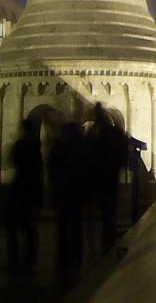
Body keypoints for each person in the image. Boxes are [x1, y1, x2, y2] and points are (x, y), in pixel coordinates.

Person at [48, 122, 90, 272]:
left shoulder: (59, 145)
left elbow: (51, 168)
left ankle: (63, 259)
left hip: (63, 191)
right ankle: (77, 258)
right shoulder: (82, 146)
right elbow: (87, 168)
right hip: (77, 191)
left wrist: (55, 185)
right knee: (76, 225)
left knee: (63, 226)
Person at [86, 103, 128, 255]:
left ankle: (92, 250)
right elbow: (123, 154)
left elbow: (87, 155)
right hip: (110, 179)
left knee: (91, 217)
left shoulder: (93, 133)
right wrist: (116, 168)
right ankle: (108, 247)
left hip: (94, 180)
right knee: (109, 216)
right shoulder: (115, 133)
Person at [5, 119, 43, 271]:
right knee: (29, 228)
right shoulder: (36, 147)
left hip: (19, 188)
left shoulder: (20, 145)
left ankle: (14, 259)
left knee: (12, 226)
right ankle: (29, 259)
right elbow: (40, 170)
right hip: (31, 189)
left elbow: (10, 161)